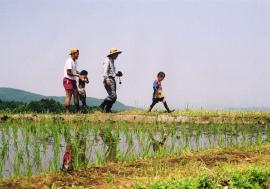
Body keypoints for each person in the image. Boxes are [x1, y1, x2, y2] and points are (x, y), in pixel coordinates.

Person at [99, 48, 123, 113]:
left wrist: (117, 74)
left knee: (114, 97)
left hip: (111, 78)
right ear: (113, 54)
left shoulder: (112, 60)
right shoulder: (107, 60)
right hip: (108, 79)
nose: (117, 56)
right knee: (113, 95)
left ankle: (107, 110)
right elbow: (105, 71)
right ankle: (102, 106)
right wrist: (107, 79)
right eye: (116, 54)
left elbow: (112, 72)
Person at [63, 48, 82, 113]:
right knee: (69, 95)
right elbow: (68, 72)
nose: (78, 56)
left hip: (73, 80)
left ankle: (78, 110)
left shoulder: (75, 62)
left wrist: (80, 73)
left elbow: (74, 70)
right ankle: (67, 111)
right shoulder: (69, 61)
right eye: (77, 54)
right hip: (68, 80)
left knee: (76, 94)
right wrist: (78, 75)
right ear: (73, 54)